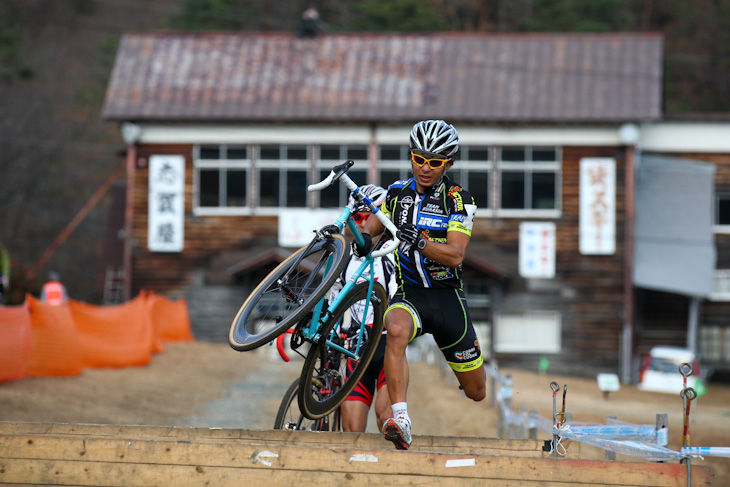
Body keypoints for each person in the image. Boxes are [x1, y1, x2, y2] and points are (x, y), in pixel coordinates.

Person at [355, 120, 485, 450]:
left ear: (449, 162)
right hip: (410, 294)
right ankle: (400, 417)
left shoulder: (458, 199)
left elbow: (456, 255)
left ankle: (463, 366)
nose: (425, 168)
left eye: (435, 162)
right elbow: (370, 230)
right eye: (419, 158)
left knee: (477, 391)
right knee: (394, 328)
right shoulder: (396, 193)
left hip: (447, 300)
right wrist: (357, 239)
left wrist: (421, 243)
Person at [329, 184, 396, 433]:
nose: (362, 224)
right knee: (351, 434)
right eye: (356, 217)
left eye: (369, 218)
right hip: (355, 349)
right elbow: (332, 302)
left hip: (387, 346)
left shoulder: (394, 255)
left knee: (386, 419)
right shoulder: (344, 259)